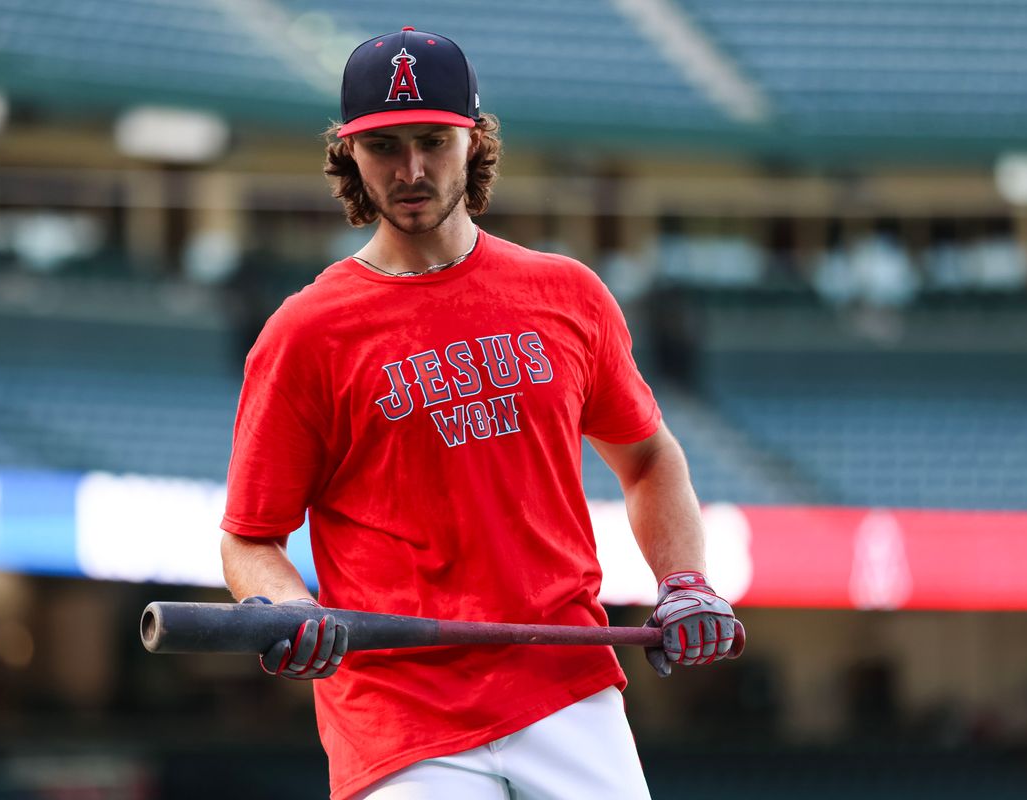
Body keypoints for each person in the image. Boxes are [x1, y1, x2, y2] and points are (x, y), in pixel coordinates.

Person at [219, 27, 743, 800]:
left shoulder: (568, 294)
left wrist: (685, 577)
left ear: (474, 140)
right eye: (384, 147)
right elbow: (249, 535)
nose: (413, 169)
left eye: (433, 140)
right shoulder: (305, 333)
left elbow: (649, 457)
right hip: (400, 714)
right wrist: (286, 603)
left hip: (563, 684)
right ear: (349, 157)